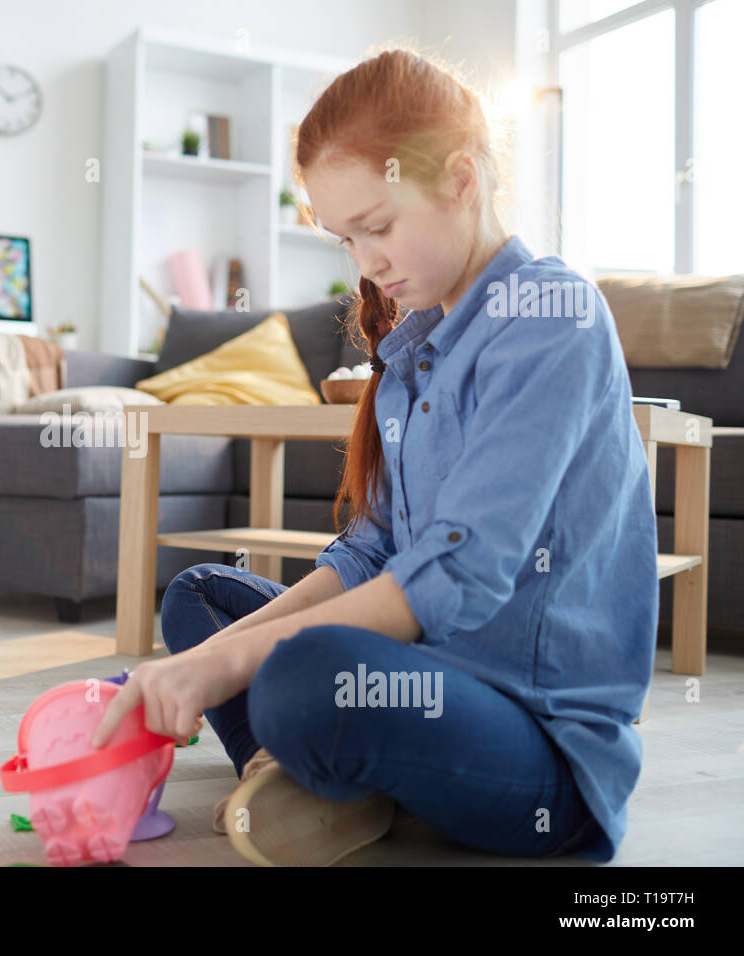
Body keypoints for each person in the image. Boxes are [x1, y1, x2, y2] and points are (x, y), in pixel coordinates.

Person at [91, 48, 658, 867]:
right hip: (422, 682)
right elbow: (372, 551)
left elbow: (455, 575)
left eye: (379, 227)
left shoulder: (550, 314)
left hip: (538, 750)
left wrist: (226, 673)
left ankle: (329, 758)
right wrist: (211, 658)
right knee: (199, 600)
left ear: (462, 179)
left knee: (300, 677)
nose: (366, 263)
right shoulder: (413, 348)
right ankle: (332, 774)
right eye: (346, 238)